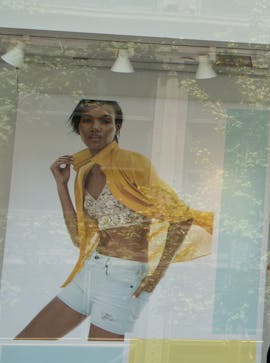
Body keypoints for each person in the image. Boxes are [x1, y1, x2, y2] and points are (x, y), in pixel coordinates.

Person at [17, 98, 213, 341]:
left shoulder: (133, 164)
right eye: (87, 120)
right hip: (91, 269)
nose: (95, 127)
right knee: (26, 343)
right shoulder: (84, 173)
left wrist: (156, 275)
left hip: (123, 276)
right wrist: (61, 186)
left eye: (105, 120)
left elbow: (181, 218)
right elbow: (79, 237)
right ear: (78, 127)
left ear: (117, 128)